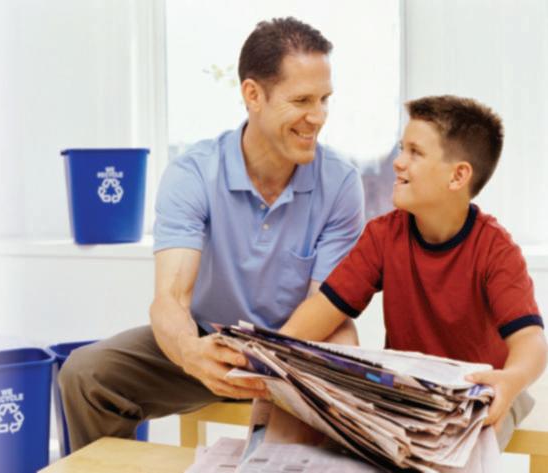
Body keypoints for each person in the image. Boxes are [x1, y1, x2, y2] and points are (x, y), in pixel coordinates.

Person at [59, 17, 365, 451]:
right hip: (209, 341)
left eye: (324, 100)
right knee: (85, 374)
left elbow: (325, 307)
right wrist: (190, 352)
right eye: (301, 100)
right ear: (252, 95)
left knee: (347, 353)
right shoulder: (194, 174)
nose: (317, 117)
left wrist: (267, 359)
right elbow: (170, 299)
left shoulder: (341, 183)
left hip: (299, 348)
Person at [280, 95, 547, 450]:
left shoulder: (496, 250)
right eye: (401, 149)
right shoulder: (383, 235)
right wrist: (269, 350)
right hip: (407, 393)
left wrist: (511, 379)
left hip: (484, 394)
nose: (398, 162)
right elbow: (324, 309)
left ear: (458, 176)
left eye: (415, 153)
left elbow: (530, 340)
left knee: (462, 452)